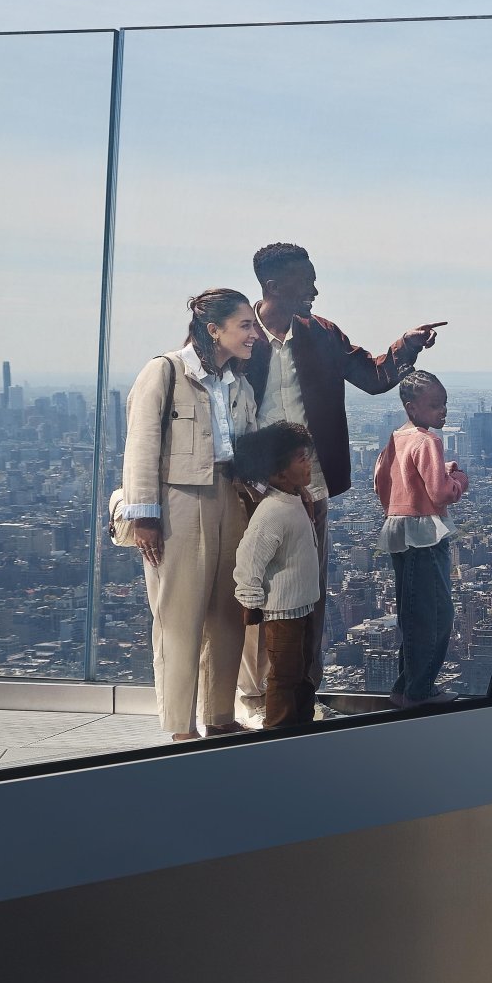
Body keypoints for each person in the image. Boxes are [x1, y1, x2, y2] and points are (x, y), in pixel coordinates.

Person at [236, 241, 441, 722]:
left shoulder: (322, 333)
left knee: (309, 593)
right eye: (305, 279)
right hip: (251, 487)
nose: (315, 288)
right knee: (249, 591)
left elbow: (373, 376)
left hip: (312, 488)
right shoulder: (243, 337)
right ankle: (252, 697)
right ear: (274, 286)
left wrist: (407, 344)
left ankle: (302, 696)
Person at [121, 288, 264, 739]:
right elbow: (141, 443)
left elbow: (251, 446)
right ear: (213, 328)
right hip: (179, 503)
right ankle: (180, 728)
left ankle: (219, 718)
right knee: (178, 619)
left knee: (228, 614)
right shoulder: (165, 372)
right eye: (245, 325)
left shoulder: (238, 384)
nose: (253, 334)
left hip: (231, 499)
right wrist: (145, 516)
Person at [373, 368, 468, 706]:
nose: (442, 411)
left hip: (398, 529)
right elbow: (441, 494)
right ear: (412, 407)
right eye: (435, 405)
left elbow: (380, 481)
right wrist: (458, 481)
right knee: (438, 616)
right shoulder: (428, 440)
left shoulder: (397, 437)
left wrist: (399, 507)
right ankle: (419, 692)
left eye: (444, 404)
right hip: (425, 534)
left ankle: (404, 687)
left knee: (414, 614)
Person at [229, 422, 323, 730]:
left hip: (304, 606)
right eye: (300, 458)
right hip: (283, 612)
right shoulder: (271, 511)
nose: (308, 462)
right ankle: (278, 731)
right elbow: (248, 558)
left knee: (302, 672)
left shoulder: (296, 500)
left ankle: (302, 723)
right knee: (284, 676)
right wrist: (250, 602)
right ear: (279, 473)